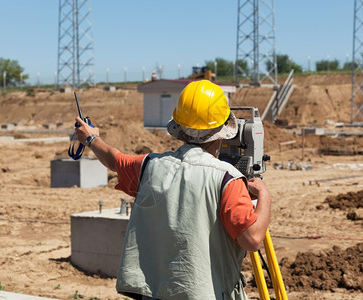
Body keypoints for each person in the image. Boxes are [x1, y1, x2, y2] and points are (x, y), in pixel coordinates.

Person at [74, 80, 272, 300]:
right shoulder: (227, 179)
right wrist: (264, 195)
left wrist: (91, 138)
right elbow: (252, 240)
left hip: (155, 293)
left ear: (179, 127)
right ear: (223, 131)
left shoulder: (149, 166)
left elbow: (114, 159)